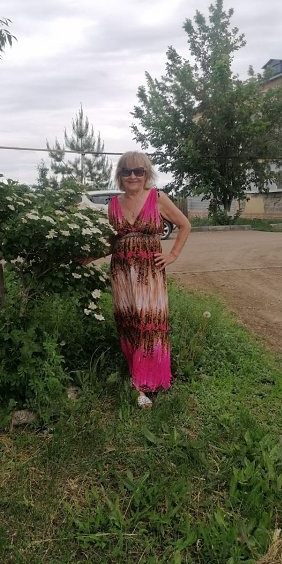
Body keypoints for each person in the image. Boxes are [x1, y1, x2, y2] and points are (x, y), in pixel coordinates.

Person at [108, 151, 191, 408]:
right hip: (122, 274)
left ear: (146, 173)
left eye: (138, 171)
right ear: (120, 175)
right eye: (127, 171)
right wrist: (85, 257)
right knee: (129, 323)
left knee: (150, 323)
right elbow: (112, 242)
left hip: (149, 273)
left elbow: (185, 225)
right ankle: (137, 376)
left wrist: (173, 254)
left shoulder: (158, 198)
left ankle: (151, 380)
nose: (133, 176)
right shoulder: (113, 204)